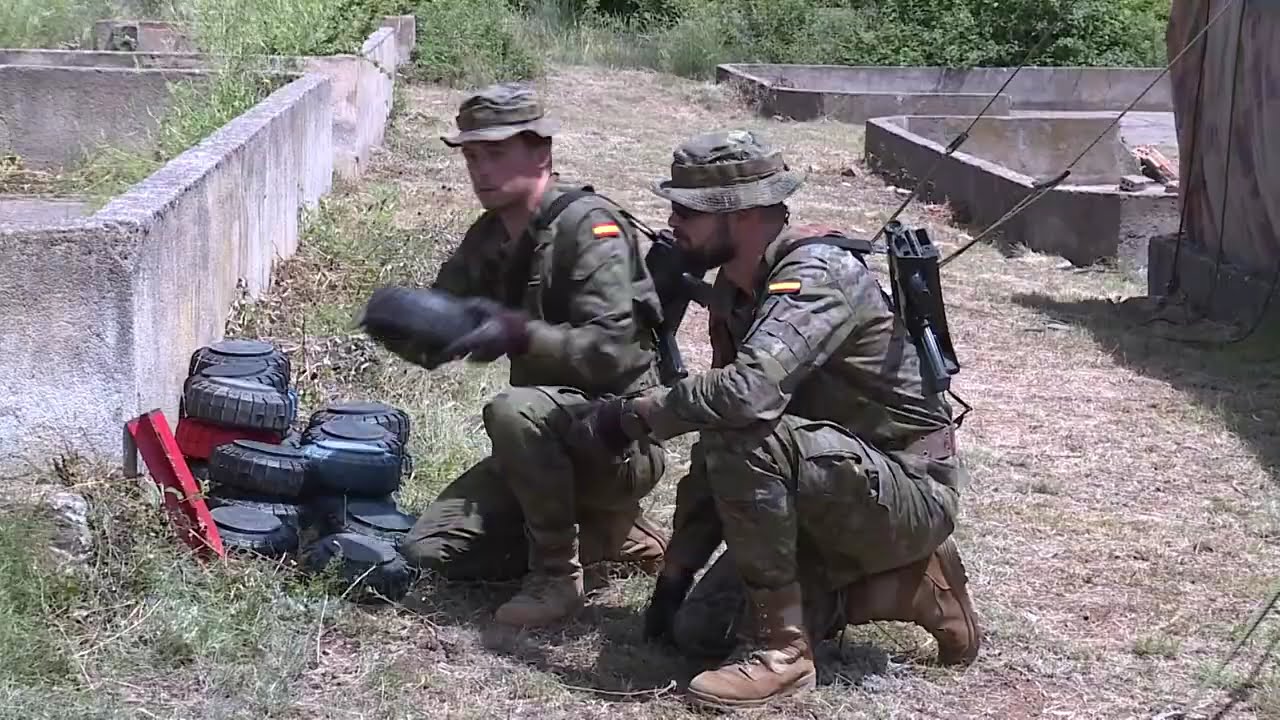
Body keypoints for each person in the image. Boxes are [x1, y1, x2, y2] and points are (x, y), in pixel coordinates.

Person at [568, 129, 981, 709]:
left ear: (739, 214)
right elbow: (714, 431)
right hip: (825, 486)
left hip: (906, 490)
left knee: (745, 425)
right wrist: (675, 579)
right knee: (699, 633)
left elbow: (743, 399)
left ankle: (785, 655)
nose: (672, 222)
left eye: (687, 210)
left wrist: (633, 417)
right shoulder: (738, 291)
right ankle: (911, 588)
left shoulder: (814, 276)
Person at [391, 82, 670, 628]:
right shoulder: (492, 233)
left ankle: (557, 576)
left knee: (512, 409)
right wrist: (406, 320)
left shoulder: (592, 229)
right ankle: (608, 534)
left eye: (495, 153)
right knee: (430, 550)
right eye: (472, 156)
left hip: (617, 438)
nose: (480, 169)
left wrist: (520, 335)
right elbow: (445, 320)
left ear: (541, 152)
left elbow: (612, 353)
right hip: (540, 445)